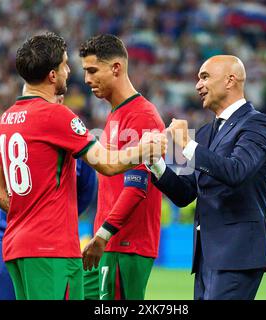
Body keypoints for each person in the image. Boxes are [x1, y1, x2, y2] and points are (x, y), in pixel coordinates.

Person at [0, 32, 166, 300]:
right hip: (52, 248)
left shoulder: (5, 120)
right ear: (52, 75)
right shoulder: (58, 116)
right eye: (66, 65)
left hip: (15, 246)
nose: (74, 73)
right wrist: (145, 150)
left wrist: (27, 214)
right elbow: (105, 164)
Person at [148, 55, 266, 300]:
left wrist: (186, 144)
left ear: (230, 80)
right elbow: (186, 193)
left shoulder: (258, 124)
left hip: (238, 253)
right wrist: (155, 163)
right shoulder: (207, 132)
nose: (198, 85)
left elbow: (236, 171)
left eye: (205, 77)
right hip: (206, 254)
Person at [79, 34, 165, 300]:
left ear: (116, 68)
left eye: (92, 70)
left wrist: (104, 234)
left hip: (125, 244)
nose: (86, 80)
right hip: (106, 243)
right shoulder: (116, 113)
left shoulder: (142, 116)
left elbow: (137, 186)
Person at [0, 133, 97, 300]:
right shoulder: (8, 127)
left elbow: (86, 191)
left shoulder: (70, 131)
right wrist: (18, 215)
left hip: (47, 240)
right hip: (7, 234)